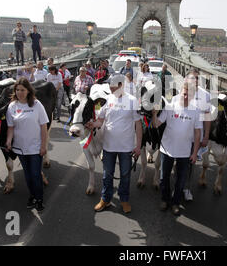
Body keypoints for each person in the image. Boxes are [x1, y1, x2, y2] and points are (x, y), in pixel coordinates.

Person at [86, 74, 142, 214]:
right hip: (109, 146)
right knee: (107, 174)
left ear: (121, 85)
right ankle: (105, 199)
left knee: (125, 175)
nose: (110, 90)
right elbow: (101, 120)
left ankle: (124, 200)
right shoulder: (108, 99)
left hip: (126, 147)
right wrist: (92, 124)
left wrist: (138, 146)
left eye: (113, 87)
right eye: (110, 87)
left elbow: (138, 124)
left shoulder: (132, 100)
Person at [152, 81, 202, 216]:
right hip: (167, 148)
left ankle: (175, 203)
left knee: (181, 179)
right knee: (164, 177)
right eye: (184, 93)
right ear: (181, 92)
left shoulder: (196, 111)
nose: (186, 97)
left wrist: (195, 152)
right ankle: (164, 199)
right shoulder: (170, 107)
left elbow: (198, 133)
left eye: (189, 95)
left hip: (185, 152)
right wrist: (154, 114)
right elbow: (157, 124)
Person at [6, 78, 49, 212]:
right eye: (17, 90)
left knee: (36, 174)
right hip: (20, 148)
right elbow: (11, 127)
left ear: (28, 91)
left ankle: (39, 199)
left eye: (22, 90)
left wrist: (43, 146)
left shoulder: (36, 105)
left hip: (35, 147)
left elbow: (43, 126)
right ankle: (32, 196)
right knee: (28, 175)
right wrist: (8, 141)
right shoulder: (12, 106)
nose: (19, 92)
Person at [183, 69, 212, 201]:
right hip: (180, 136)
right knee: (178, 164)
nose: (195, 80)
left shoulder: (205, 95)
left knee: (190, 164)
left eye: (197, 78)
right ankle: (177, 188)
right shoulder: (180, 92)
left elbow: (207, 118)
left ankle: (186, 188)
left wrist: (206, 136)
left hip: (195, 137)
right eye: (192, 78)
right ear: (186, 79)